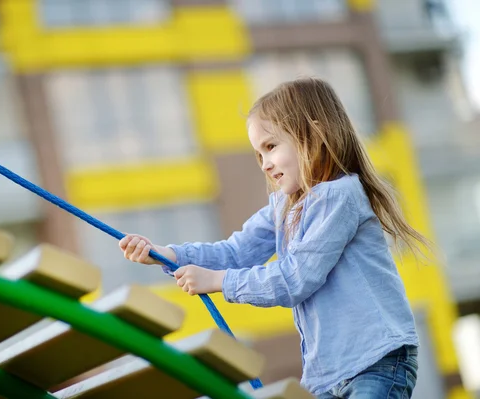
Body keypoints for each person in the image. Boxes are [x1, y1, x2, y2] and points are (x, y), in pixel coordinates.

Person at [119, 77, 429, 398]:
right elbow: (235, 252)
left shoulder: (340, 196)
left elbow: (296, 278)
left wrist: (218, 281)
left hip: (375, 361)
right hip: (325, 376)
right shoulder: (284, 207)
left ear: (314, 136)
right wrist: (167, 254)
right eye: (259, 154)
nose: (265, 164)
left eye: (271, 147)